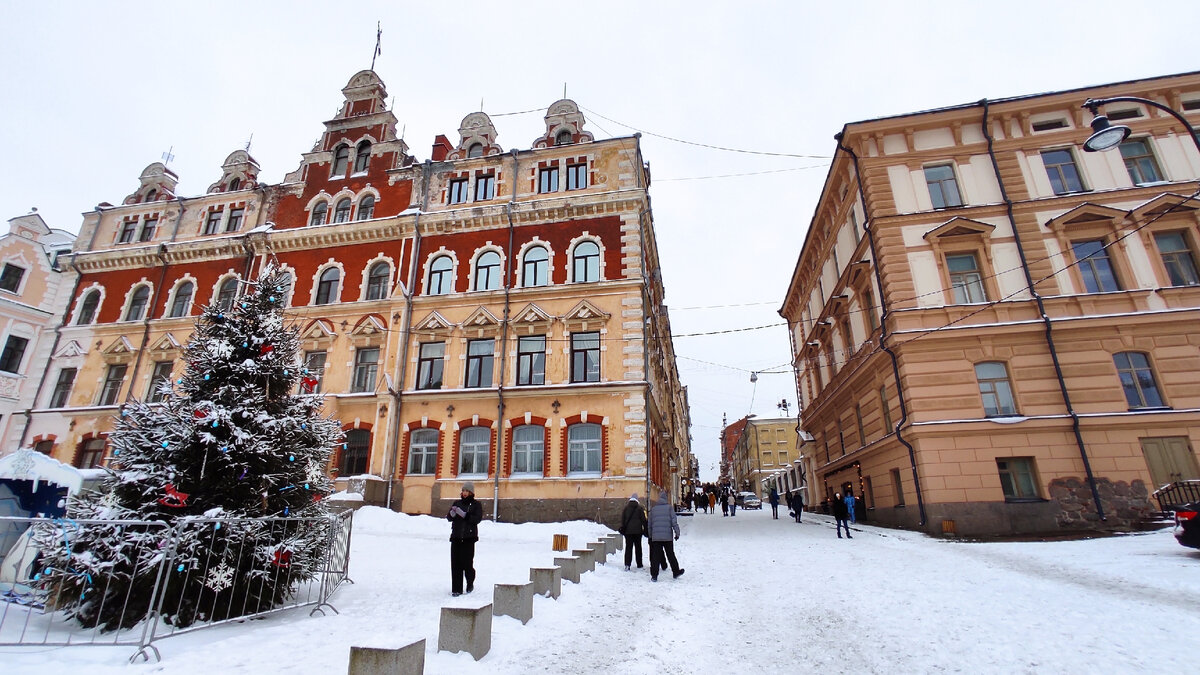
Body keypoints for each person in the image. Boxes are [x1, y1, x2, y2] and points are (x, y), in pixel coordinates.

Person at [448, 482, 484, 596]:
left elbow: (477, 519)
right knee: (456, 564)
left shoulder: (476, 505)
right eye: (463, 491)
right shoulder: (457, 503)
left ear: (471, 492)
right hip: (456, 538)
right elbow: (449, 517)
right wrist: (452, 514)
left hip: (469, 538)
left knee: (467, 564)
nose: (464, 493)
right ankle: (456, 589)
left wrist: (465, 515)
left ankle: (469, 582)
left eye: (467, 491)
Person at [646, 493, 684, 581]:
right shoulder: (669, 508)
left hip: (656, 538)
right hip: (667, 537)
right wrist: (677, 533)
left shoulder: (653, 510)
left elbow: (649, 524)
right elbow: (674, 522)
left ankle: (654, 576)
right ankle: (675, 572)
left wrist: (650, 536)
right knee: (670, 555)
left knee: (655, 557)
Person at [619, 493, 648, 570]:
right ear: (637, 499)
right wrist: (645, 529)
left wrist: (624, 528)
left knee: (628, 548)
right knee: (638, 548)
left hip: (628, 532)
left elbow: (623, 520)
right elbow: (643, 520)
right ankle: (639, 564)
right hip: (638, 532)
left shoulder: (626, 508)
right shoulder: (639, 508)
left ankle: (627, 564)